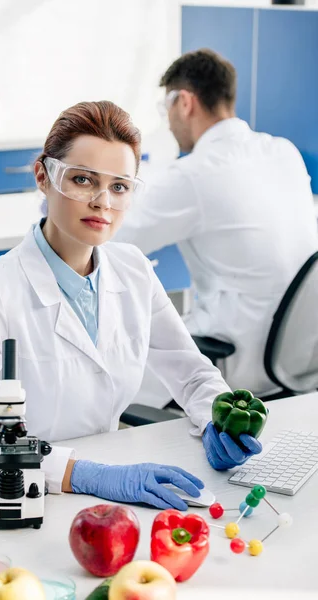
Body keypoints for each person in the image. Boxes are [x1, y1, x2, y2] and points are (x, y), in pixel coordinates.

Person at [0, 101, 262, 511]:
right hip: (26, 498)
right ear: (44, 176)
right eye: (82, 179)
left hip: (110, 496)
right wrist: (90, 475)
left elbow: (193, 375)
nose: (102, 202)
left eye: (119, 186)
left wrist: (217, 418)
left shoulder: (134, 271)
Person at [115, 49, 318, 398]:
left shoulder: (194, 174)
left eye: (166, 109)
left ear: (185, 103)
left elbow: (112, 236)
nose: (168, 122)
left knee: (111, 370)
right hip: (300, 360)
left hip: (234, 365)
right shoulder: (284, 151)